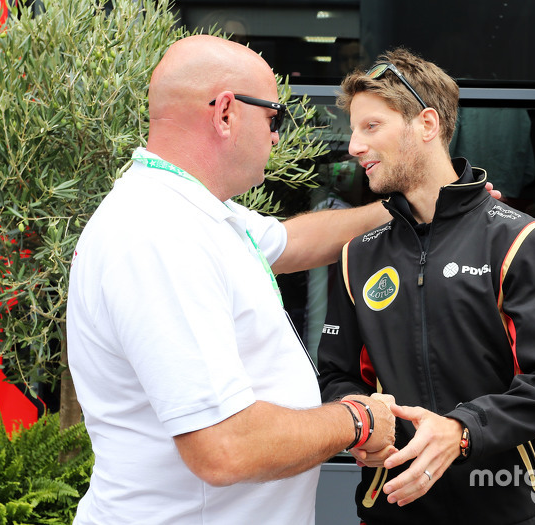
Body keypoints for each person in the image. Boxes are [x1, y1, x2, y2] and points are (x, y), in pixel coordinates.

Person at [66, 35, 399, 525]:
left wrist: (415, 207)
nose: (276, 138)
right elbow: (223, 447)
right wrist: (358, 419)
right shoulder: (160, 235)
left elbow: (294, 242)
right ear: (225, 113)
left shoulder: (197, 212)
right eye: (273, 117)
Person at [318, 48, 535, 524]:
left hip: (503, 509)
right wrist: (359, 422)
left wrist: (460, 430)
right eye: (354, 129)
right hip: (391, 508)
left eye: (371, 126)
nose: (354, 145)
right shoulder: (358, 255)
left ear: (427, 124)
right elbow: (338, 375)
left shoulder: (517, 238)